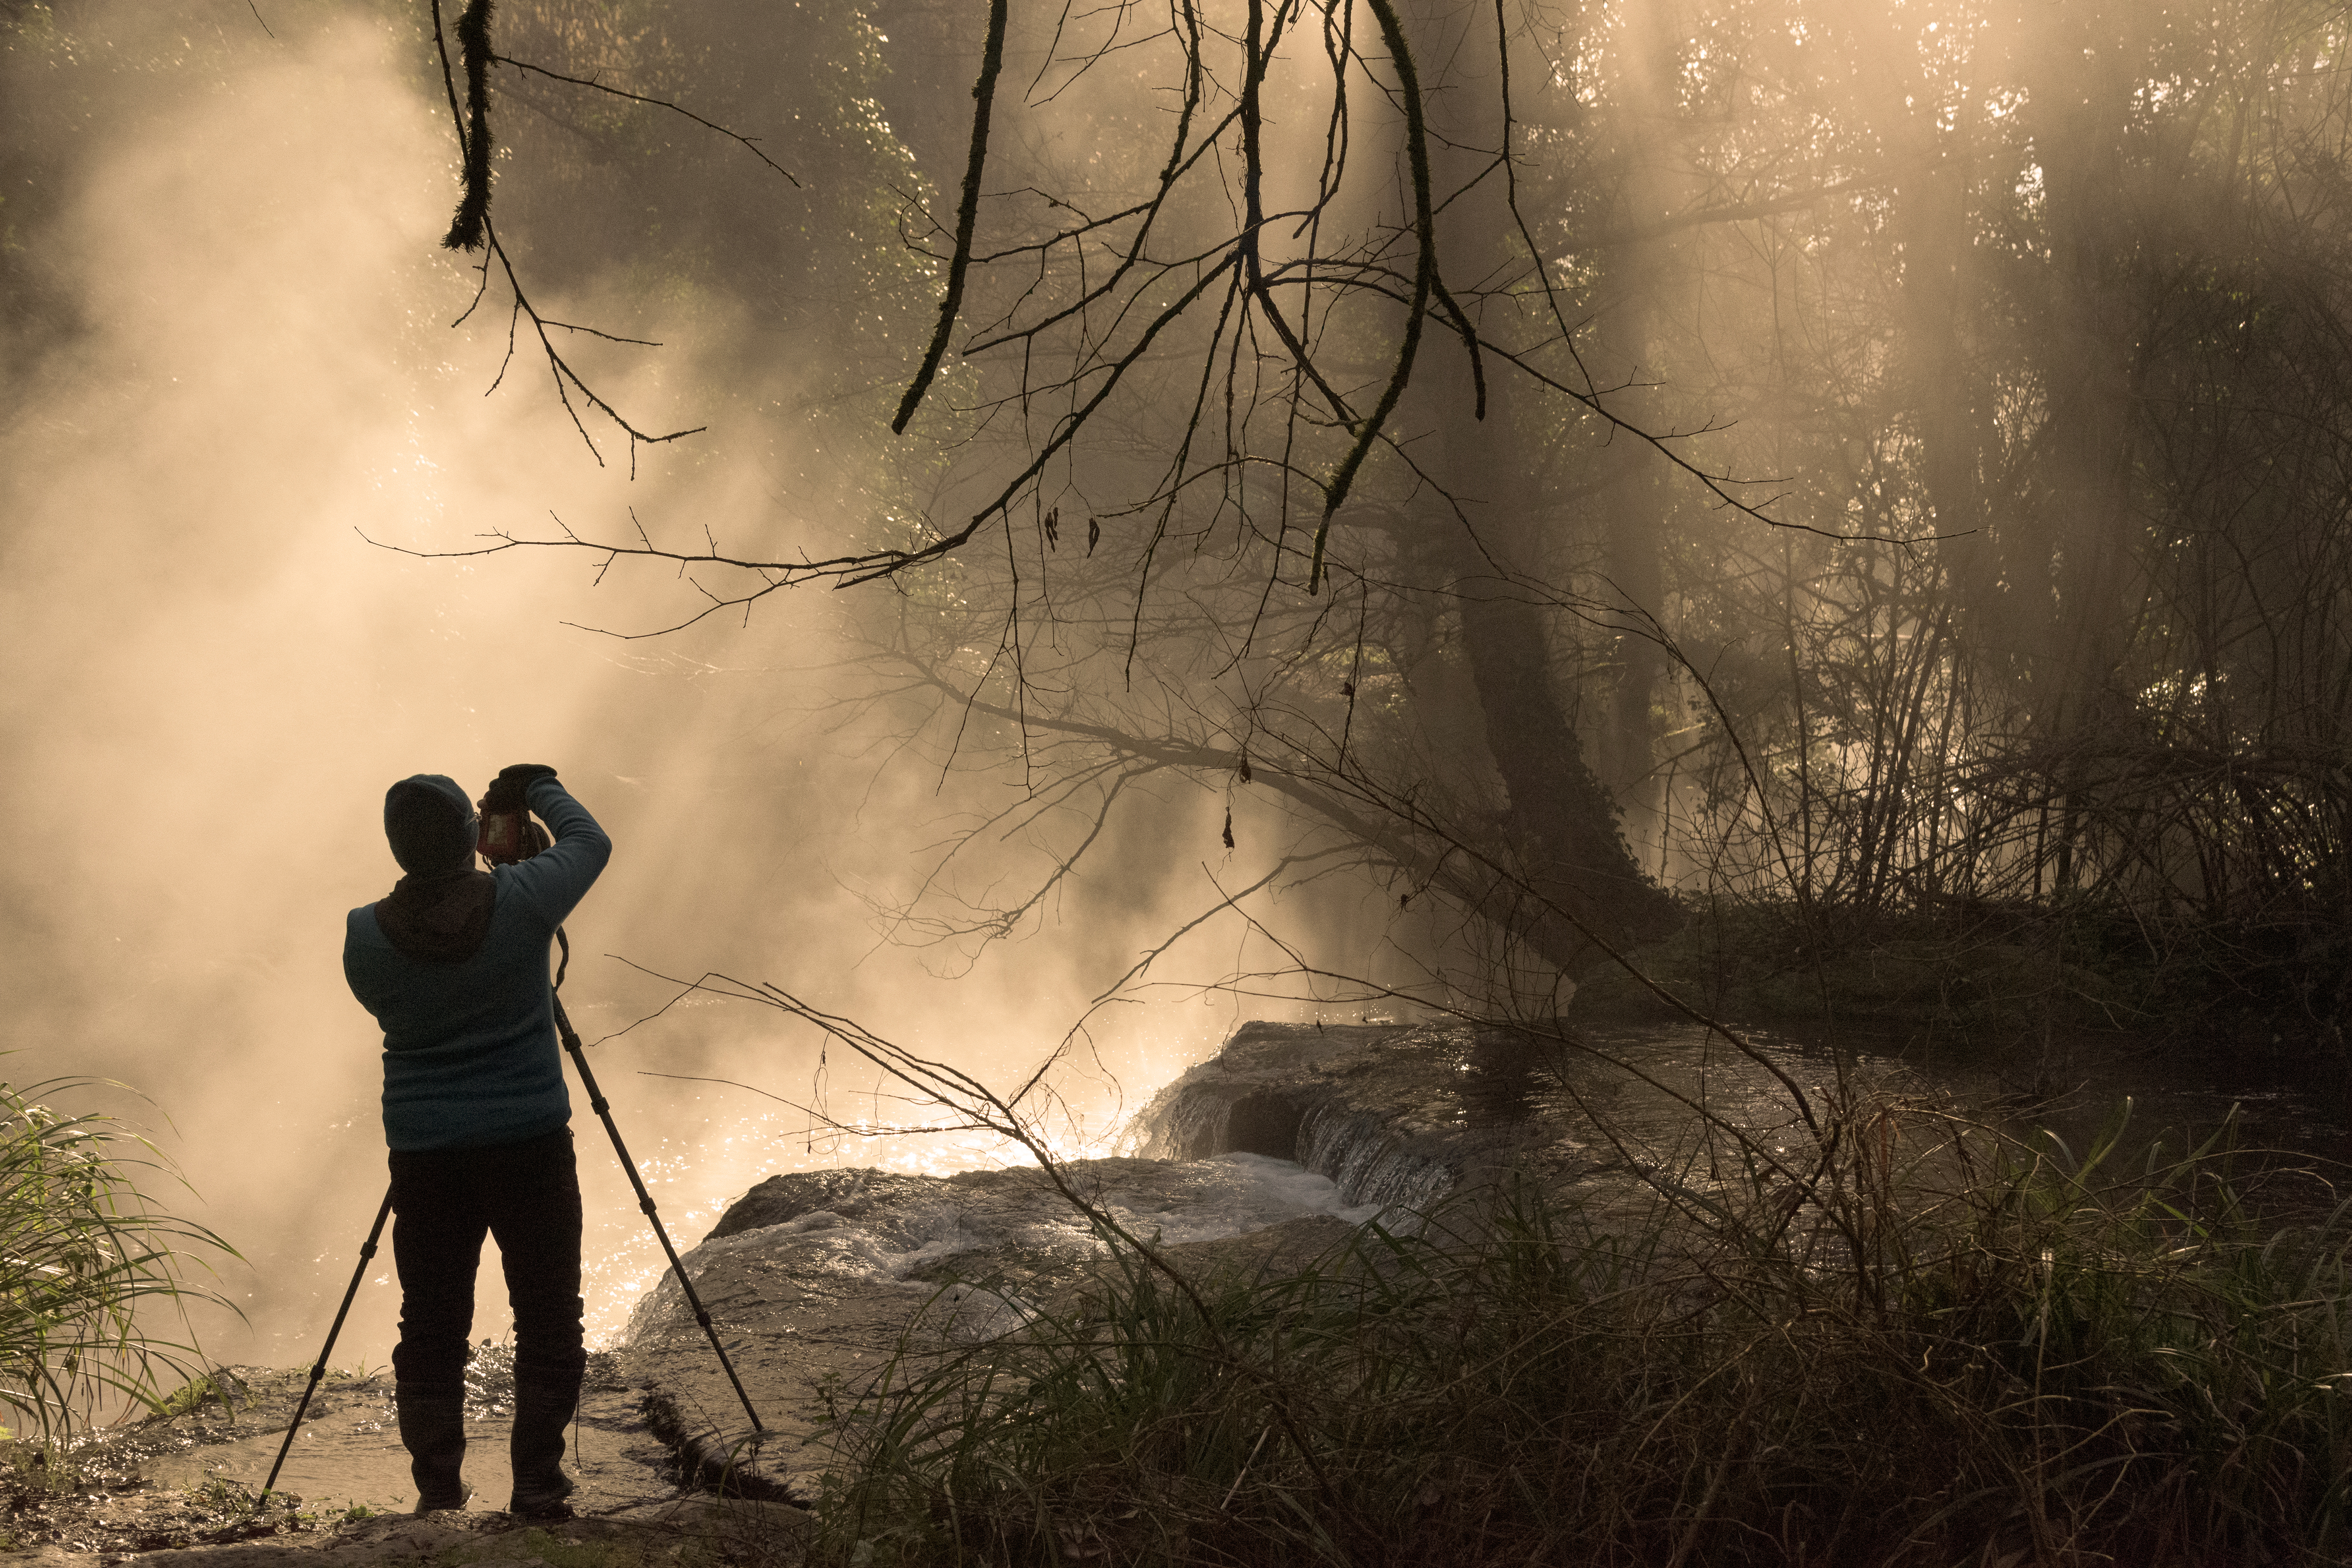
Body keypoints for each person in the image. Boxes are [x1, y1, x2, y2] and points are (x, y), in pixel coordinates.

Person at [342, 763, 612, 1517]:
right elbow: (592, 842)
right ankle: (537, 1483)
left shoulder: (363, 935)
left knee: (430, 1322)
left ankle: (437, 1491)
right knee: (550, 1314)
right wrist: (537, 789)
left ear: (397, 848)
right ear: (472, 835)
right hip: (529, 1145)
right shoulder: (523, 901)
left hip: (426, 1158)